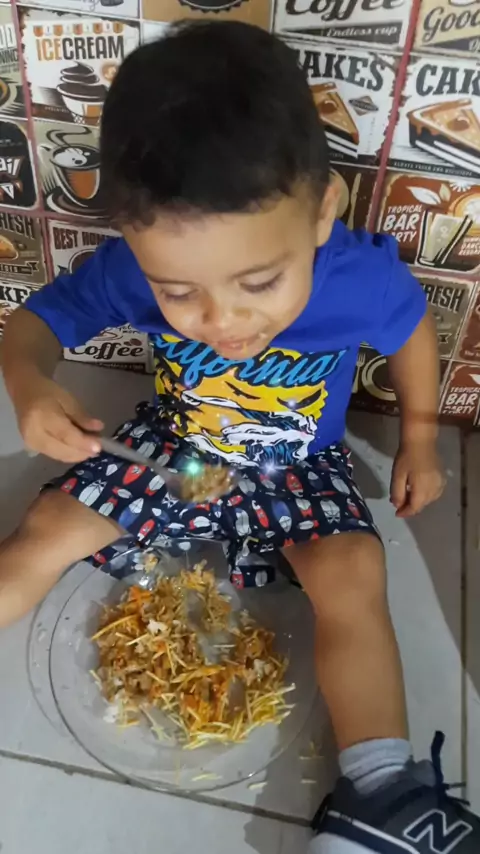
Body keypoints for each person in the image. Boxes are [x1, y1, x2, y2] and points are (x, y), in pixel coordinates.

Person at [1, 20, 478, 852]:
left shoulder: (358, 279)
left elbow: (409, 332)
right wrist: (30, 384)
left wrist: (419, 437)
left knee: (353, 575)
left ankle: (385, 793)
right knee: (45, 531)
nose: (223, 321)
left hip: (301, 462)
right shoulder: (131, 268)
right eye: (178, 292)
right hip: (170, 450)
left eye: (260, 281)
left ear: (321, 213)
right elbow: (32, 327)